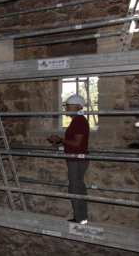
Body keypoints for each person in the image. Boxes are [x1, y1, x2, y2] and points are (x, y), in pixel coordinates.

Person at [47, 94, 89, 225]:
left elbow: (77, 144)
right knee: (77, 188)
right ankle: (81, 218)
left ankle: (80, 219)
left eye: (68, 105)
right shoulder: (76, 121)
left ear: (77, 106)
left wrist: (60, 140)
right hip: (74, 159)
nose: (66, 108)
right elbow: (74, 142)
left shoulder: (79, 121)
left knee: (75, 188)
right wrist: (61, 143)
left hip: (77, 159)